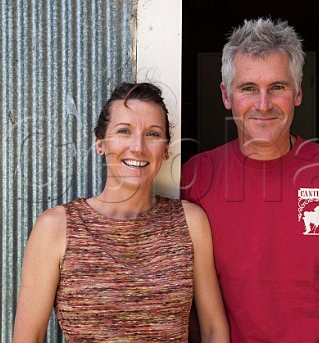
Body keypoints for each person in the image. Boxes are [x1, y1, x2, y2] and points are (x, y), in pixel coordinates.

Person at [181, 18, 319, 343]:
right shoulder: (193, 178)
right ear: (226, 95)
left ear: (298, 92)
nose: (263, 104)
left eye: (278, 87)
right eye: (248, 88)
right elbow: (177, 297)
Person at [13, 82, 230, 342]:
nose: (138, 146)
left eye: (152, 134)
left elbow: (212, 330)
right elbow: (29, 337)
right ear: (100, 143)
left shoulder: (190, 222)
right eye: (124, 131)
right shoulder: (57, 227)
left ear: (165, 150)